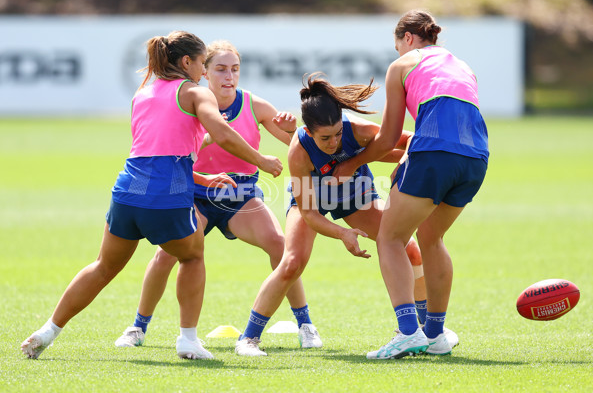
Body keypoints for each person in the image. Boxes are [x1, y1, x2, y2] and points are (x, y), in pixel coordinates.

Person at [20, 31, 283, 360]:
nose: (204, 72)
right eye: (203, 64)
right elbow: (222, 134)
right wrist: (262, 160)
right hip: (166, 197)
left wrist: (202, 177)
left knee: (104, 266)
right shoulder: (194, 93)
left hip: (127, 192)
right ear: (187, 62)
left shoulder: (141, 93)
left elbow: (155, 154)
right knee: (192, 256)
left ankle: (49, 330)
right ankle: (188, 340)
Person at [114, 40, 323, 350]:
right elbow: (172, 149)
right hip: (195, 194)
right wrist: (211, 139)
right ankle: (138, 327)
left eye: (235, 70)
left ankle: (305, 324)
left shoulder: (254, 105)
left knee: (280, 245)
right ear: (204, 72)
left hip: (240, 196)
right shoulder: (191, 101)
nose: (229, 76)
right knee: (165, 255)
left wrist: (293, 129)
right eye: (221, 69)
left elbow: (299, 143)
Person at [234, 73, 428, 357]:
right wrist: (343, 234)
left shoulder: (356, 130)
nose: (334, 142)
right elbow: (310, 213)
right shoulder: (298, 152)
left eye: (338, 133)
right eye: (325, 138)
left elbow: (409, 140)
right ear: (309, 132)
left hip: (356, 196)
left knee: (409, 249)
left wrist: (384, 159)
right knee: (291, 263)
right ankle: (247, 338)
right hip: (312, 199)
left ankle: (421, 330)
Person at [332, 10, 489, 359]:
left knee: (390, 237)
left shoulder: (402, 65)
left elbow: (388, 137)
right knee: (432, 238)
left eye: (397, 46)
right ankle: (434, 335)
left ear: (407, 39)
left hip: (435, 153)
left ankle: (407, 332)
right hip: (477, 157)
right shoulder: (464, 66)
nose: (398, 52)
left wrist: (354, 162)